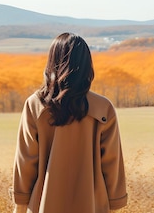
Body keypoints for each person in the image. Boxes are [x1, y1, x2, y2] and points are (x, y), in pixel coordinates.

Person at [11, 32, 128, 213]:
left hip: (44, 204)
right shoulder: (103, 108)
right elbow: (112, 164)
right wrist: (115, 204)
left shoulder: (35, 105)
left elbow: (26, 162)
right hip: (93, 206)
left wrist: (20, 206)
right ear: (87, 65)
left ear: (52, 62)